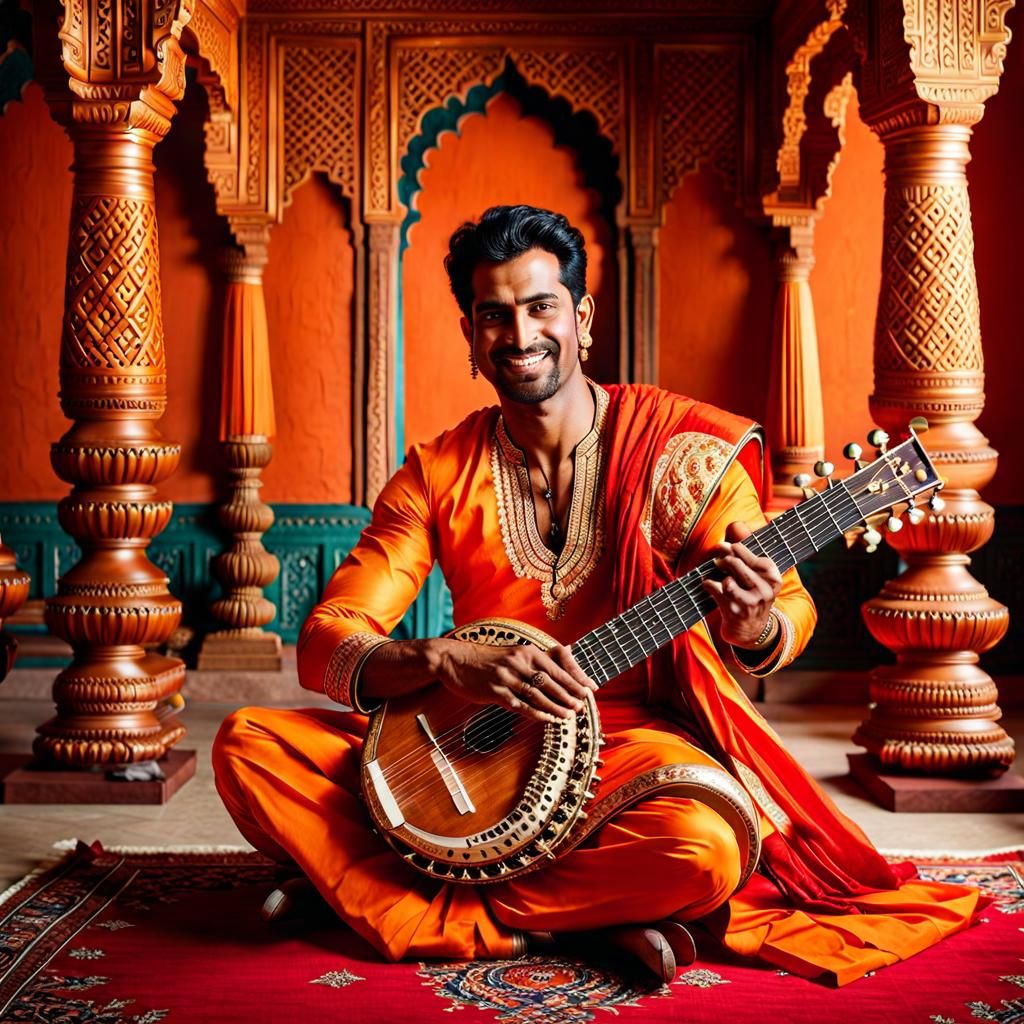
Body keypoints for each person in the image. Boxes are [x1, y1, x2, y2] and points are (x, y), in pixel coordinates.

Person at [213, 205, 980, 987]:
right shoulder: (435, 473)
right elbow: (325, 641)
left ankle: (408, 899)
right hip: (458, 741)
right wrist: (443, 660)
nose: (520, 335)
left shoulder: (677, 450)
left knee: (704, 850)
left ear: (580, 316)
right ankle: (590, 917)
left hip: (629, 749)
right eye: (494, 315)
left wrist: (752, 619)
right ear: (471, 334)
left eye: (541, 307)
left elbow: (785, 609)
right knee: (250, 746)